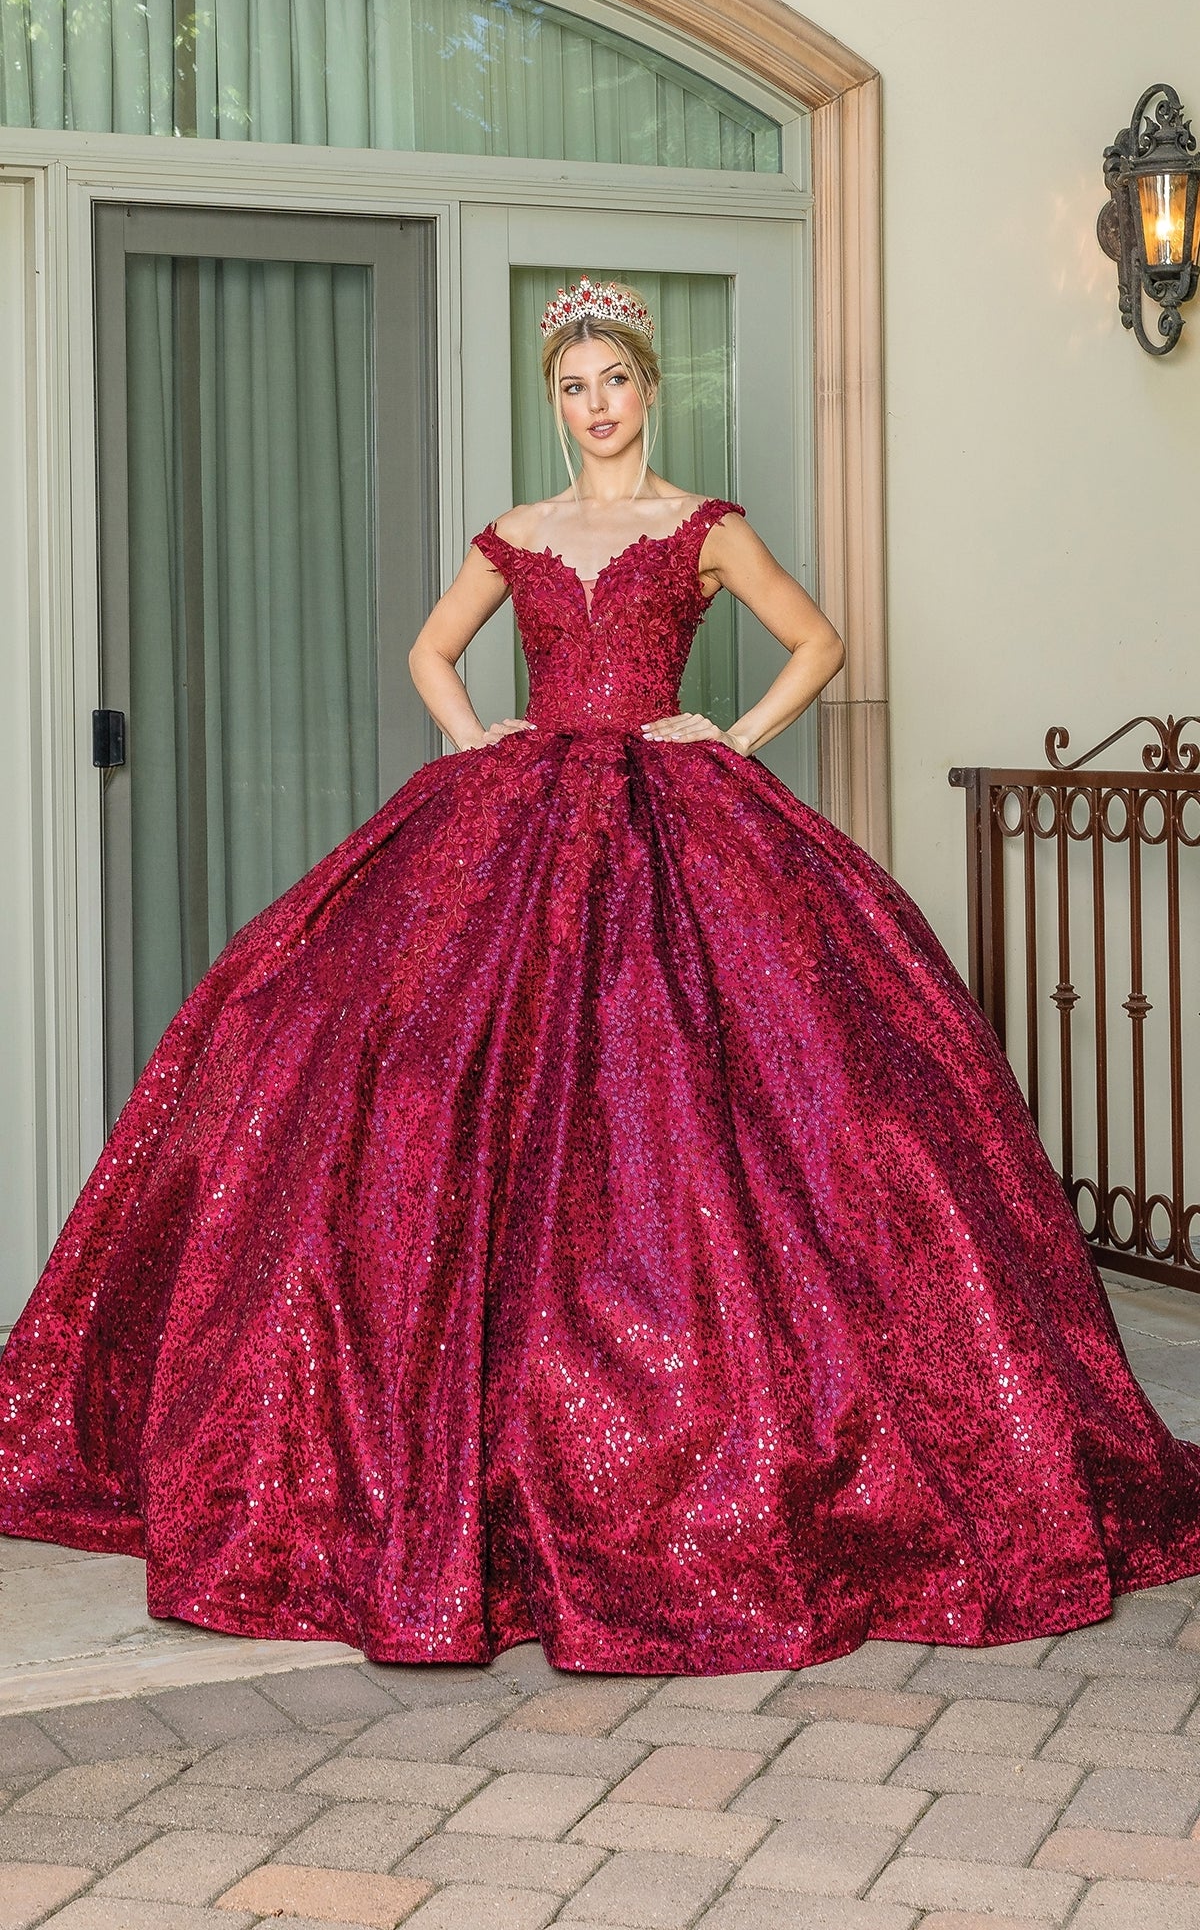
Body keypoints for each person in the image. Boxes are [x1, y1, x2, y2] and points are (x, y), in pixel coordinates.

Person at [2, 277, 1199, 1681]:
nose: (597, 405)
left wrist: (730, 738)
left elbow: (820, 641)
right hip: (520, 810)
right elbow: (430, 650)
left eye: (615, 380)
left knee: (754, 1082)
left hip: (673, 807)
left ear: (648, 386)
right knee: (402, 1062)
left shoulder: (703, 527)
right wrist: (474, 741)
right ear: (555, 403)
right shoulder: (516, 532)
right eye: (573, 388)